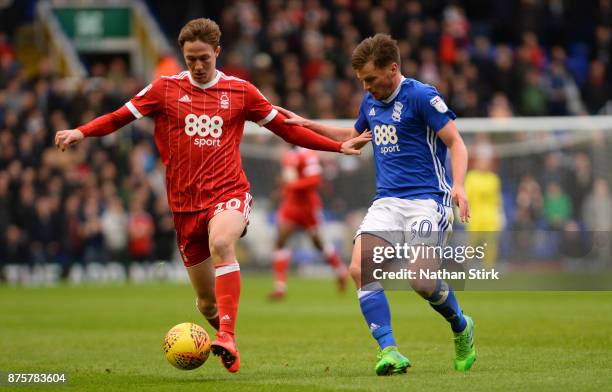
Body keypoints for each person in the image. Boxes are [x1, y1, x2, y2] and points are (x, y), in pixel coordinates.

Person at [54, 18, 371, 374]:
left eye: (204, 57)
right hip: (184, 207)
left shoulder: (242, 92)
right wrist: (81, 132)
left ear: (217, 52)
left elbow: (286, 130)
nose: (198, 65)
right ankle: (223, 335)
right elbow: (118, 117)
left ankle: (228, 335)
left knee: (222, 243)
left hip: (228, 193)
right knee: (206, 304)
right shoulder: (164, 89)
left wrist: (338, 146)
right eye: (190, 59)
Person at [276, 33, 476, 375]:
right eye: (361, 81)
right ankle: (389, 351)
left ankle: (461, 325)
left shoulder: (422, 97)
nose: (366, 87)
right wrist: (306, 123)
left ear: (393, 68)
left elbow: (456, 143)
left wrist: (458, 185)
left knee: (421, 281)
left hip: (427, 202)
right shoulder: (370, 103)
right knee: (360, 269)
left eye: (370, 79)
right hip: (387, 202)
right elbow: (352, 137)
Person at [269, 145, 348, 300]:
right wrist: (282, 191)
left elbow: (314, 180)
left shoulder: (308, 155)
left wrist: (291, 186)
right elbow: (290, 178)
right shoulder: (288, 154)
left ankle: (341, 271)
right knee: (280, 240)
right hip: (291, 205)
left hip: (308, 206)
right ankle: (280, 287)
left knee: (318, 243)